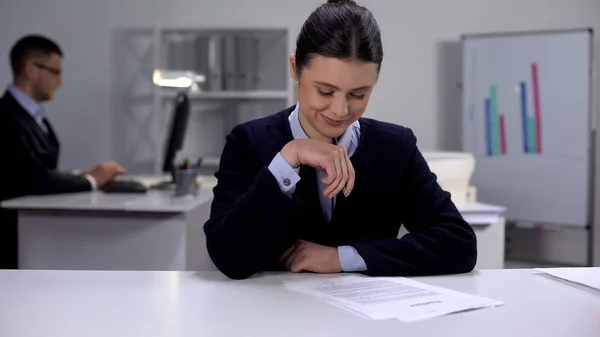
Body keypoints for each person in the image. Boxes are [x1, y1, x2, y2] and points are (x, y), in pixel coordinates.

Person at [204, 0, 477, 280]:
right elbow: (227, 256)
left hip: (366, 317)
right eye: (325, 91)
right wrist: (287, 160)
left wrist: (344, 257)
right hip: (276, 315)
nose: (340, 110)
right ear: (295, 68)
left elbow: (458, 244)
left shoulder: (395, 147)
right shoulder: (248, 142)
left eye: (358, 94)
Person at [0, 35, 125, 268]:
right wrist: (90, 180)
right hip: (11, 244)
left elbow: (32, 169)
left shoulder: (33, 116)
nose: (60, 81)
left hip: (28, 237)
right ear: (31, 69)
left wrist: (80, 174)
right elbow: (31, 179)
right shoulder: (6, 117)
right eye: (56, 72)